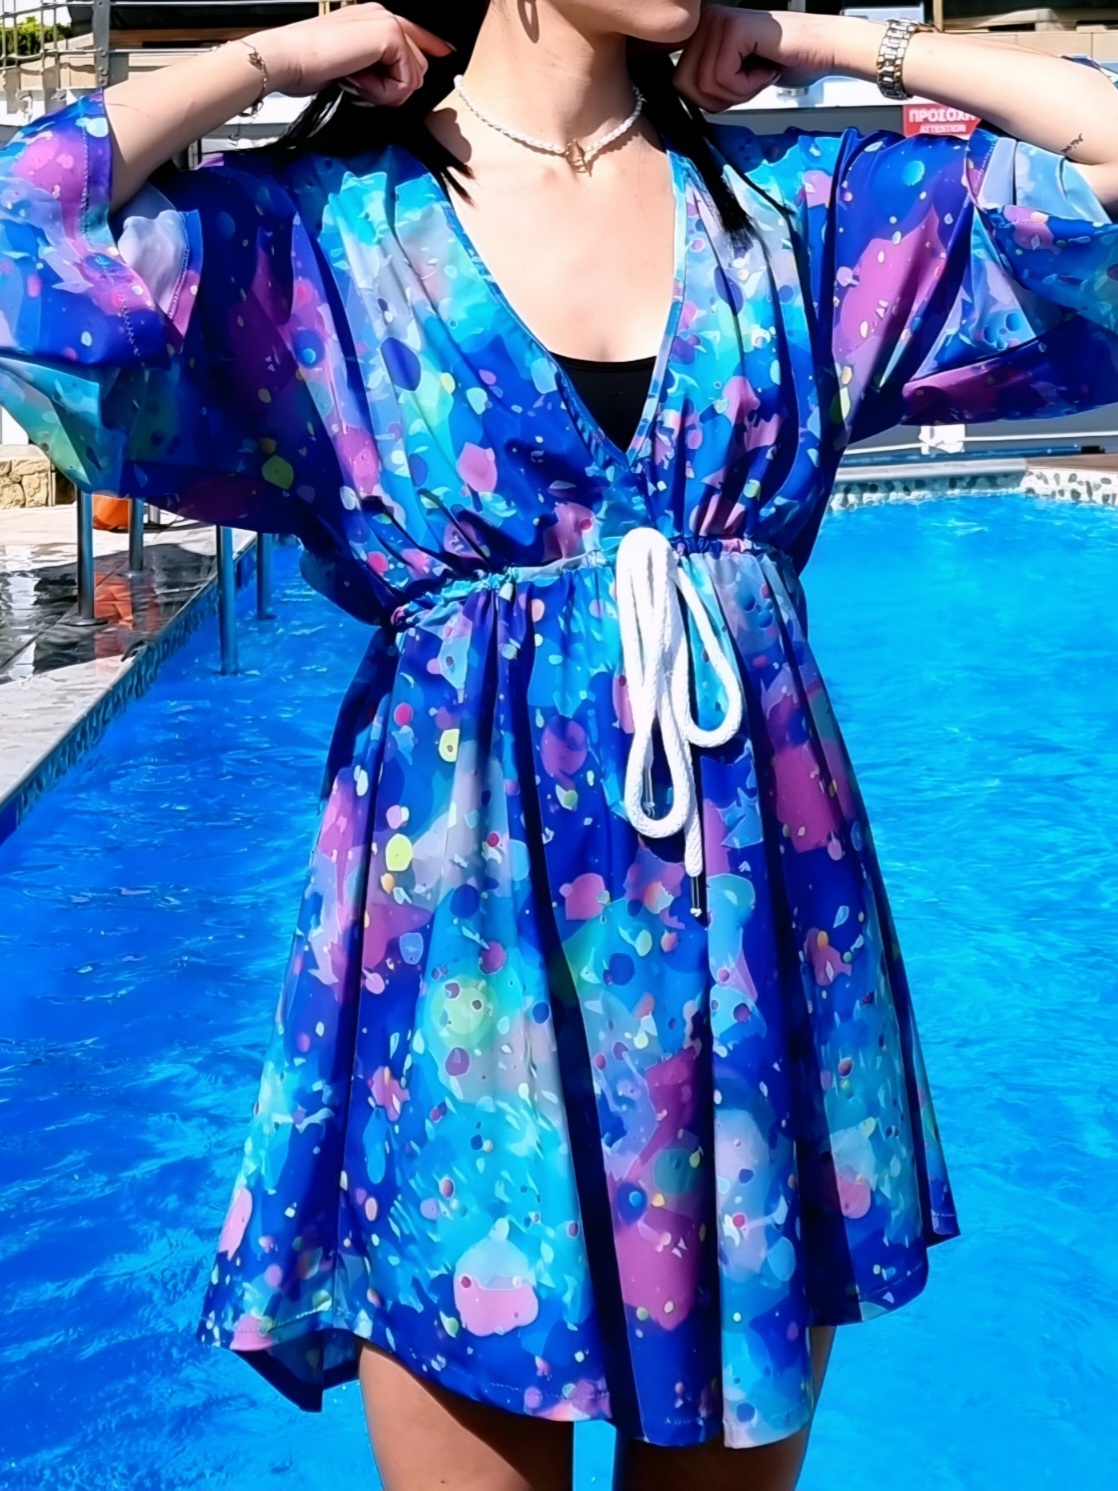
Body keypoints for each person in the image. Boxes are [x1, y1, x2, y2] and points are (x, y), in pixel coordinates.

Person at [3, 3, 1118, 1486]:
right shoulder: (318, 242)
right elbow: (22, 230)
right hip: (468, 978)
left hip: (751, 963)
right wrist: (288, 56)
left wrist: (835, 45)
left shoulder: (790, 218)